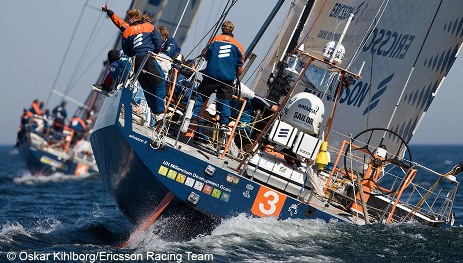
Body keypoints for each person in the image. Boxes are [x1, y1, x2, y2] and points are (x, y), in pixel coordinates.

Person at [102, 4, 167, 121]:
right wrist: (154, 51)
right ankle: (159, 112)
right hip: (147, 58)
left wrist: (109, 12)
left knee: (147, 88)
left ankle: (155, 112)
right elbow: (158, 43)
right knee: (160, 83)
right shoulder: (149, 27)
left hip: (136, 60)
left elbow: (126, 50)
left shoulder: (127, 30)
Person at [191, 21, 244, 132]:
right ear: (232, 30)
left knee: (201, 96)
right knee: (224, 100)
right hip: (227, 78)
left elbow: (205, 54)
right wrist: (237, 72)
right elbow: (240, 64)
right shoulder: (238, 46)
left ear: (222, 29)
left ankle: (193, 117)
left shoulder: (214, 40)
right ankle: (224, 123)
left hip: (211, 75)